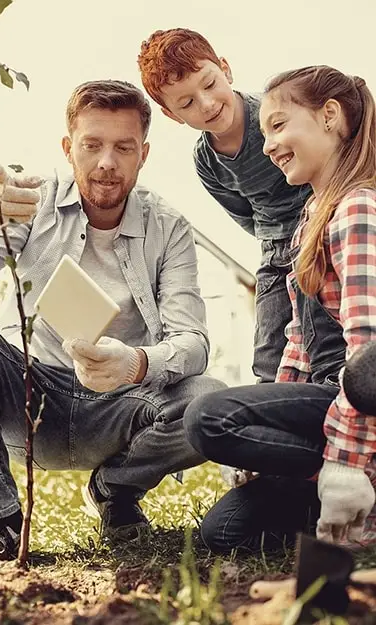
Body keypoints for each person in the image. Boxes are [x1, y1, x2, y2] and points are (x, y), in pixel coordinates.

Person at [0, 79, 226, 564]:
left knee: (209, 399)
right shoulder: (29, 200)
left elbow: (193, 341)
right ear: (67, 147)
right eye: (92, 145)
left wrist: (134, 364)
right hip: (32, 396)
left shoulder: (170, 228)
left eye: (123, 148)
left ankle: (114, 492)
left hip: (122, 405)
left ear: (143, 153)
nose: (106, 162)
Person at [184, 66, 376, 553]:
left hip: (361, 406)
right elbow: (299, 340)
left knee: (208, 418)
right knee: (223, 533)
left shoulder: (358, 209)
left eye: (279, 125)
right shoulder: (312, 216)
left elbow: (369, 355)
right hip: (328, 398)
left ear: (330, 116)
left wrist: (347, 461)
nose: (267, 146)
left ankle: (358, 481)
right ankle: (332, 504)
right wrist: (270, 431)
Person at [138, 28, 311, 383]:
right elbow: (244, 216)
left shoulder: (276, 113)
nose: (206, 104)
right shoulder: (207, 161)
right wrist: (277, 240)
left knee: (326, 334)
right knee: (268, 359)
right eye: (186, 103)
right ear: (172, 115)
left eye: (210, 83)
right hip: (277, 251)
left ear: (226, 69)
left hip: (323, 225)